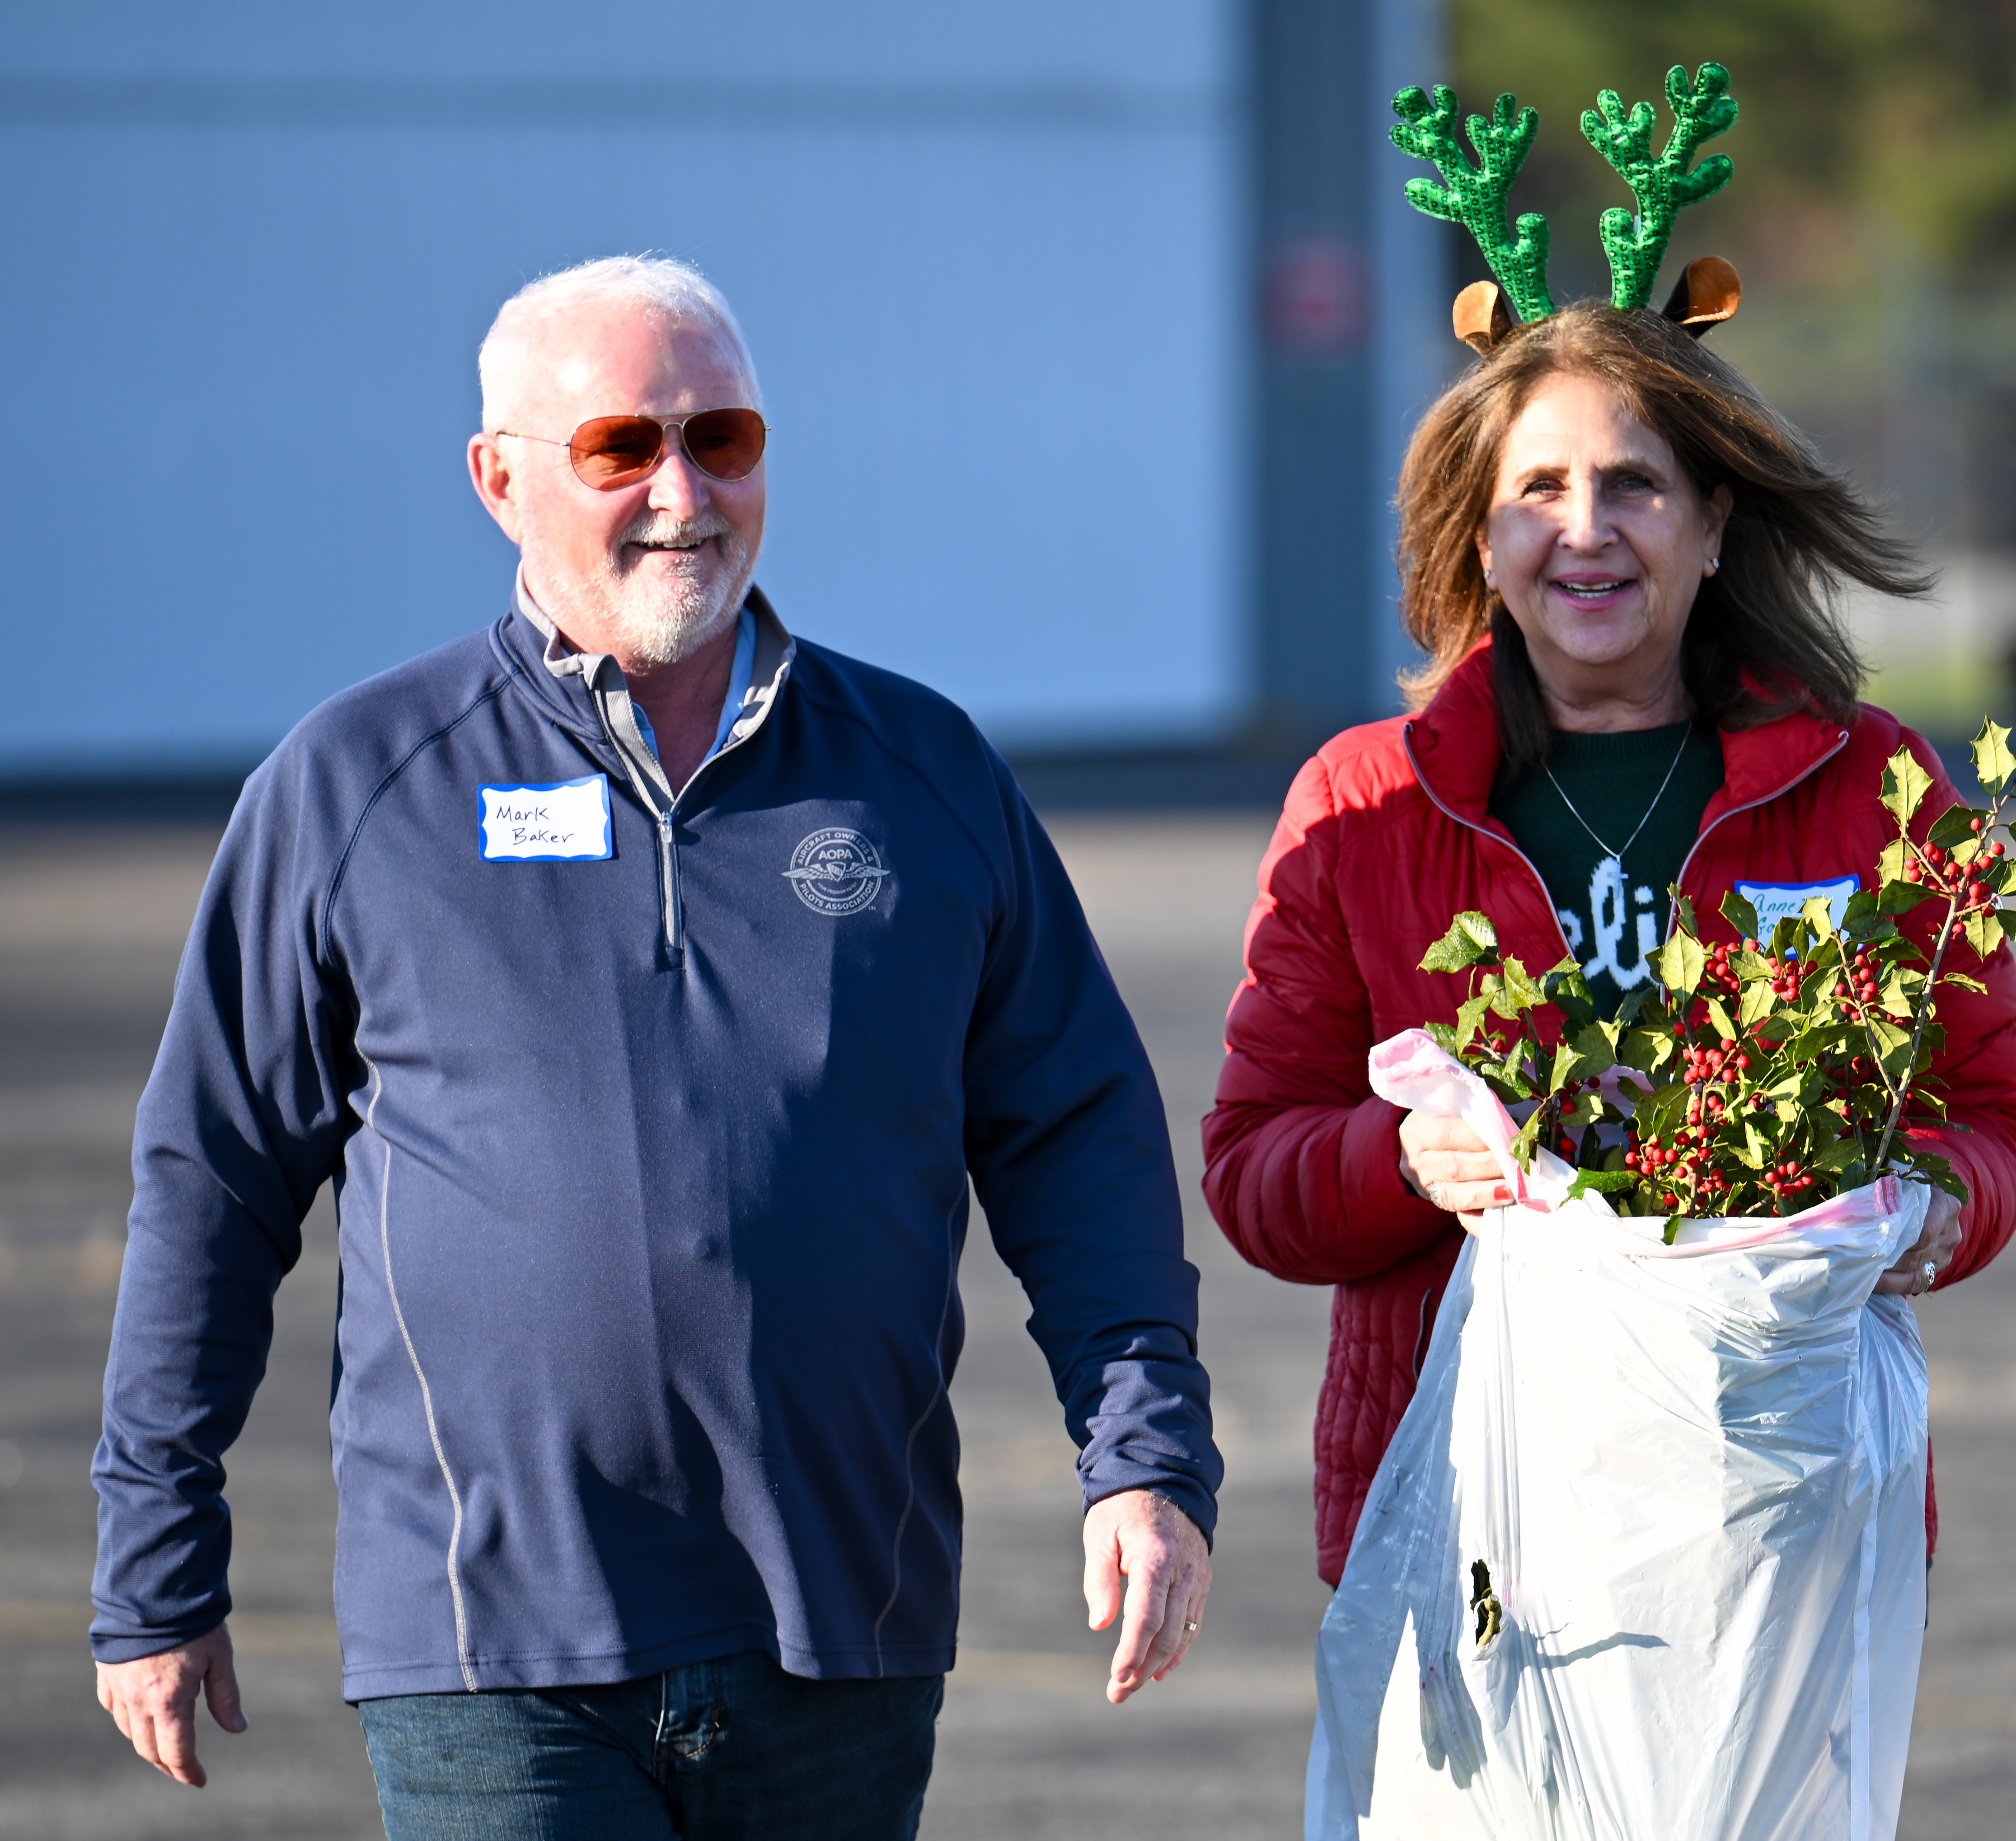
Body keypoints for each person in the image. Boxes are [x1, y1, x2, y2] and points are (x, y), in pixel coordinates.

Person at [90, 256, 1221, 1839]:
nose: (683, 491)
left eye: (725, 438)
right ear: (500, 481)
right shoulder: (356, 785)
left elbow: (1079, 1138)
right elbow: (211, 1180)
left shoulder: (924, 773)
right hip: (495, 1649)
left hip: (843, 1626)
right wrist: (155, 1555)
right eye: (622, 445)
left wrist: (1146, 1461)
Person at [1201, 293, 2016, 1591]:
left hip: (1780, 1504)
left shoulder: (1868, 783)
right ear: (1481, 539)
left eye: (1635, 486)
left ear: (1713, 525)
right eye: (1538, 487)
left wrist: (1928, 1211)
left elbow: (1986, 1116)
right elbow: (1257, 1167)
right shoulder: (1361, 805)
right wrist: (1404, 1157)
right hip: (1469, 1523)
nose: (1584, 530)